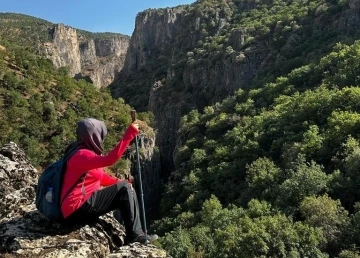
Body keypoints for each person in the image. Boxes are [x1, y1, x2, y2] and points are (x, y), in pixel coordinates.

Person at [60, 117, 157, 244]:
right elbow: (110, 160)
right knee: (125, 189)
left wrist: (118, 182)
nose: (102, 139)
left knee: (124, 187)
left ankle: (135, 233)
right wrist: (130, 134)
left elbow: (100, 177)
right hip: (77, 209)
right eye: (100, 135)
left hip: (77, 207)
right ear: (93, 136)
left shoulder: (82, 151)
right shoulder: (82, 155)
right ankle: (135, 235)